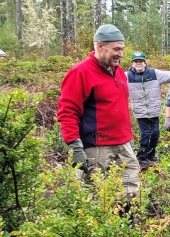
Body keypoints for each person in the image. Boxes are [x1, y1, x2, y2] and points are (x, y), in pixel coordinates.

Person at [57, 24, 140, 197]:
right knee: (93, 198)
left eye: (122, 49)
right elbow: (67, 112)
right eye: (116, 49)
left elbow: (121, 108)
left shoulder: (118, 72)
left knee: (132, 194)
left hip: (123, 146)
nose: (121, 54)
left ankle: (128, 224)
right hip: (96, 148)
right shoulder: (80, 72)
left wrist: (128, 137)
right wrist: (75, 146)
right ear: (100, 46)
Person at [126, 51, 170, 165]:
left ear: (145, 62)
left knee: (155, 133)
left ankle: (151, 155)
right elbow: (113, 82)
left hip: (154, 110)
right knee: (145, 134)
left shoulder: (154, 74)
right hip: (140, 112)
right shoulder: (127, 76)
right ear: (132, 63)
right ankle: (142, 158)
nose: (138, 63)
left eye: (140, 61)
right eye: (136, 61)